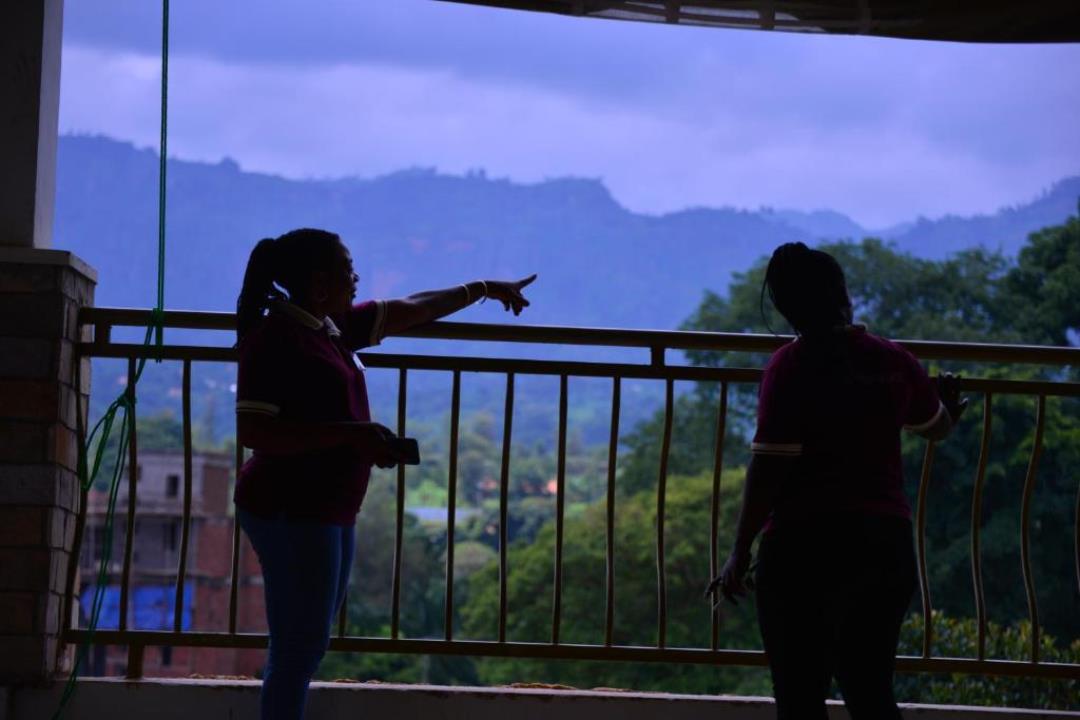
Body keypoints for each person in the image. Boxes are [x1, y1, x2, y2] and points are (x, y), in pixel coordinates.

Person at [233, 227, 535, 720]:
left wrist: (482, 288)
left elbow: (410, 307)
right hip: (290, 508)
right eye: (347, 270)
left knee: (306, 640)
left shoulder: (327, 328)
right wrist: (351, 436)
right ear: (319, 283)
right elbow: (256, 431)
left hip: (326, 509)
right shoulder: (277, 339)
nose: (356, 279)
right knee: (298, 648)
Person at [705, 242, 967, 720]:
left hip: (802, 550)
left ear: (786, 308)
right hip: (883, 547)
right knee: (870, 691)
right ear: (844, 295)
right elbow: (937, 428)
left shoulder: (790, 367)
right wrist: (946, 404)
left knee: (800, 695)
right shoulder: (893, 362)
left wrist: (739, 552)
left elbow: (768, 472)